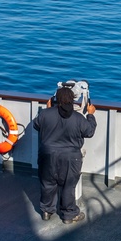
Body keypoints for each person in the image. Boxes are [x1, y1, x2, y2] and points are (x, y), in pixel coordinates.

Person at [33, 85, 97, 223]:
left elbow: (36, 125)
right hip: (70, 158)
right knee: (68, 185)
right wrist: (91, 115)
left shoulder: (46, 114)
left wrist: (48, 109)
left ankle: (46, 211)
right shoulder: (78, 118)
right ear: (73, 100)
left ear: (57, 99)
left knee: (47, 183)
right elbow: (89, 132)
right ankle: (69, 214)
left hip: (48, 155)